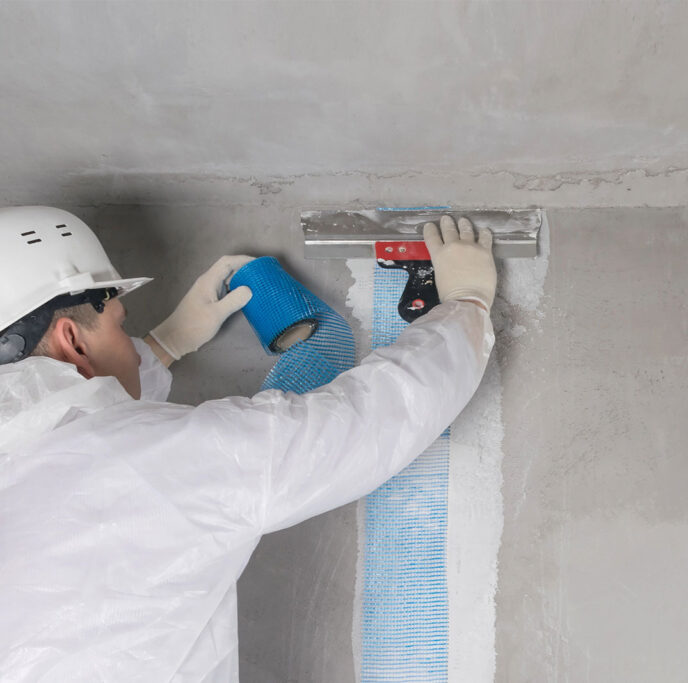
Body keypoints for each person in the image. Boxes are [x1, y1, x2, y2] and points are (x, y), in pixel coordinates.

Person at [0, 205, 496, 681]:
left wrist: (163, 346)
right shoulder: (152, 462)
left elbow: (66, 425)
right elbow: (365, 422)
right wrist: (465, 306)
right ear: (74, 341)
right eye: (120, 325)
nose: (130, 341)